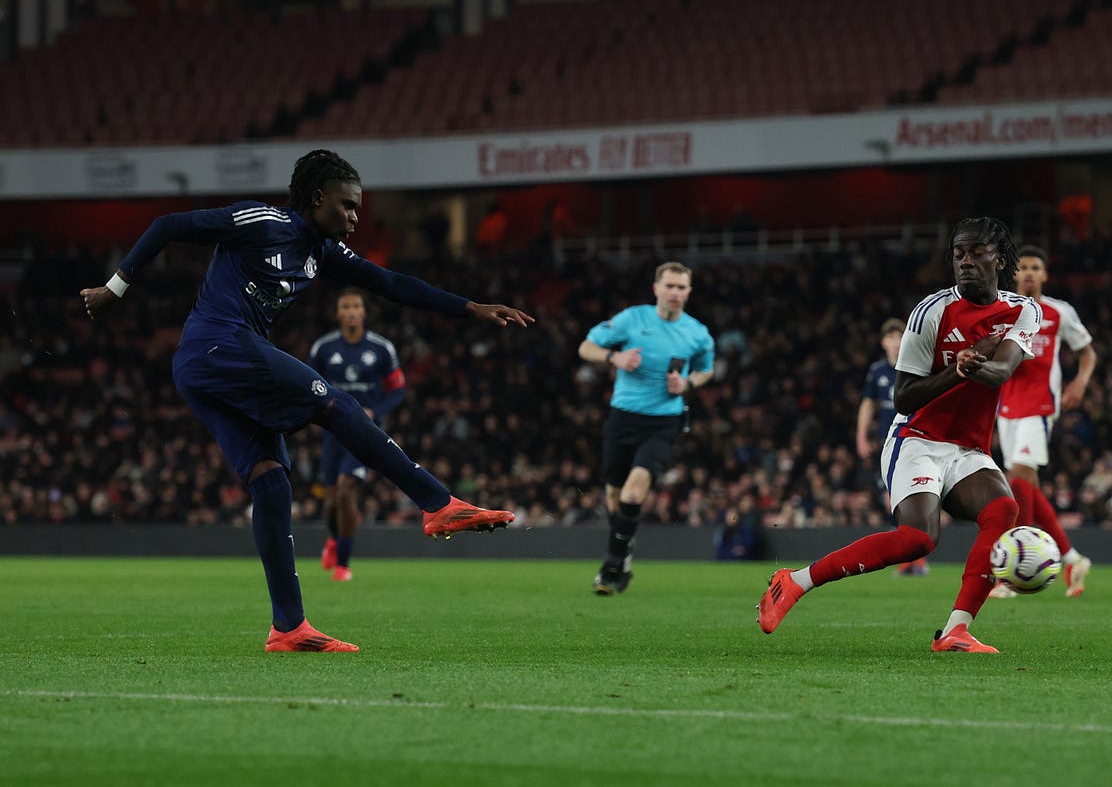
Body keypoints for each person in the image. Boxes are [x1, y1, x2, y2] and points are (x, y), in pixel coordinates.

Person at [80, 149, 534, 652]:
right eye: (347, 206)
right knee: (334, 402)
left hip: (213, 366)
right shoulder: (263, 220)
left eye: (359, 208)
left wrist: (470, 308)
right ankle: (437, 502)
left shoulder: (323, 252)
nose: (356, 217)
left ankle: (289, 627)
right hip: (217, 343)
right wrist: (113, 288)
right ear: (317, 199)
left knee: (271, 484)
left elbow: (391, 284)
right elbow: (168, 225)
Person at [756, 216, 1040, 653]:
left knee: (1003, 510)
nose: (965, 261)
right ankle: (793, 581)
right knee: (919, 539)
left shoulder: (1024, 309)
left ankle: (955, 630)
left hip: (967, 448)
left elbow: (1003, 368)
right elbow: (905, 395)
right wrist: (956, 371)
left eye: (976, 252)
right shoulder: (930, 312)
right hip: (917, 438)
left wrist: (974, 362)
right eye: (958, 254)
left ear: (999, 258)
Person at [578, 261, 715, 595]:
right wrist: (615, 359)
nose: (675, 293)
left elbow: (706, 370)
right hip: (623, 417)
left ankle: (611, 566)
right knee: (613, 495)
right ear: (656, 288)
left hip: (663, 421)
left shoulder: (697, 333)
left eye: (681, 287)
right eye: (669, 286)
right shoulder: (632, 318)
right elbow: (586, 347)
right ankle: (623, 554)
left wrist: (687, 385)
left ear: (689, 292)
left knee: (633, 490)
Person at [991, 245, 1097, 598]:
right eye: (1023, 267)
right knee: (1026, 487)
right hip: (1006, 407)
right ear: (1014, 273)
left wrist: (1080, 382)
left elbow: (1087, 351)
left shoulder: (1058, 311)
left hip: (1039, 406)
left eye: (1037, 267)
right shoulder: (1001, 308)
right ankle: (1073, 558)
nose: (1030, 273)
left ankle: (1014, 573)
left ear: (1045, 274)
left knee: (1017, 478)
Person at [310, 288, 407, 583]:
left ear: (364, 312)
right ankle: (334, 538)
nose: (351, 311)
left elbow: (398, 389)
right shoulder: (323, 348)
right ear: (338, 313)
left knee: (345, 489)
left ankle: (343, 564)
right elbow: (307, 385)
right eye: (346, 306)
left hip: (365, 433)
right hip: (332, 433)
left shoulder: (381, 348)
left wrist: (374, 412)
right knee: (331, 500)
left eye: (356, 306)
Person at [856, 317, 926, 576]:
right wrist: (861, 436)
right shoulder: (878, 371)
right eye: (891, 338)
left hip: (913, 440)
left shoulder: (916, 365)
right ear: (884, 342)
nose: (896, 343)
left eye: (900, 337)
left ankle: (913, 558)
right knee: (892, 502)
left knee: (903, 500)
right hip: (886, 445)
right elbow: (867, 404)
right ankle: (911, 558)